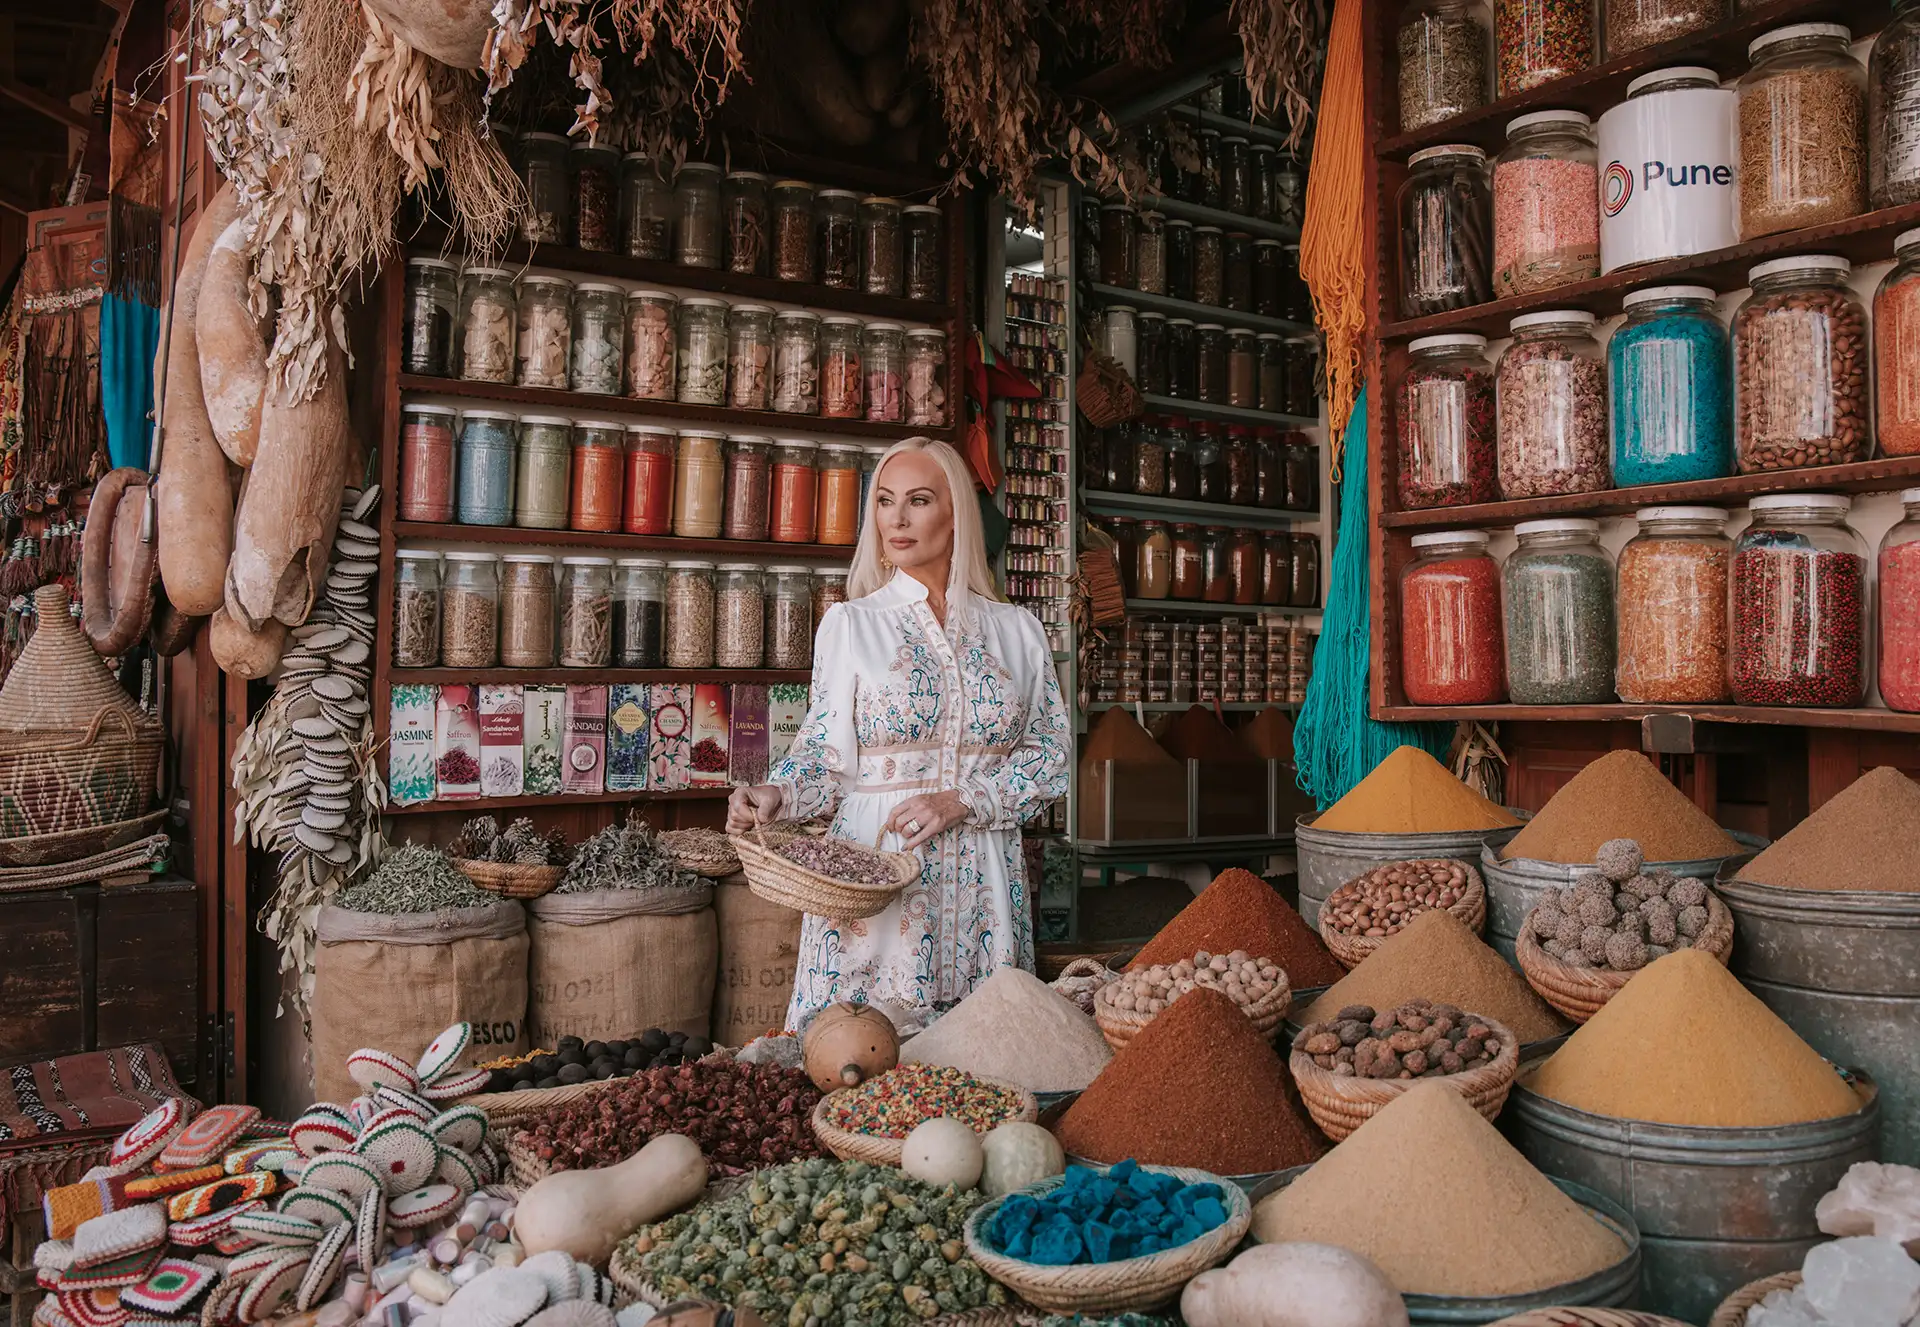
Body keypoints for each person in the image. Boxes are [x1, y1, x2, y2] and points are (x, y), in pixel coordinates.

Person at [727, 437, 1070, 1030]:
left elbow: (1051, 757)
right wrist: (777, 796)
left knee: (979, 1055)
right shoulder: (853, 625)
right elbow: (826, 757)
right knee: (863, 1051)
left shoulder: (1018, 632)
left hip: (985, 875)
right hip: (878, 873)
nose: (898, 519)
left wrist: (966, 798)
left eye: (918, 500)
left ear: (956, 513)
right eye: (885, 502)